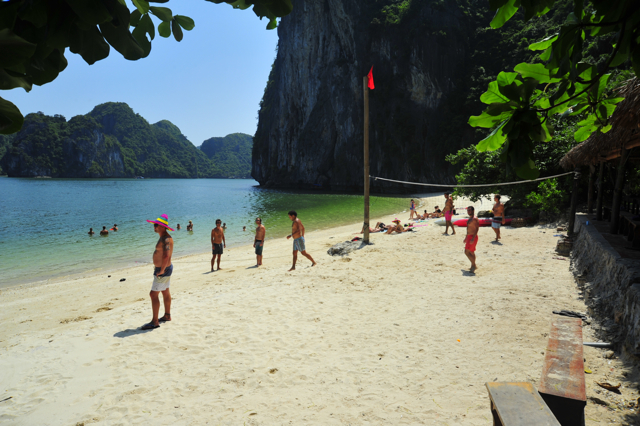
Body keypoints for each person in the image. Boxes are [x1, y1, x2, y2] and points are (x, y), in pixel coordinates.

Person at [142, 214, 174, 330]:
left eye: (156, 225)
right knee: (165, 291)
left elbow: (166, 256)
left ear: (162, 227)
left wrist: (161, 270)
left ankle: (155, 321)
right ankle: (167, 315)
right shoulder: (165, 237)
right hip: (166, 269)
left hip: (163, 270)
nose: (154, 227)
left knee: (153, 294)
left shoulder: (165, 239)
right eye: (154, 225)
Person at [464, 206, 479, 273]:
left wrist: (473, 238)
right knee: (471, 252)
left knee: (466, 252)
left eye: (469, 210)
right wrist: (466, 237)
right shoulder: (470, 218)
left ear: (473, 210)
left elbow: (477, 229)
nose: (468, 211)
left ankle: (474, 265)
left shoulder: (475, 219)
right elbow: (468, 229)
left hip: (473, 237)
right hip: (469, 236)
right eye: (468, 210)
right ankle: (473, 265)